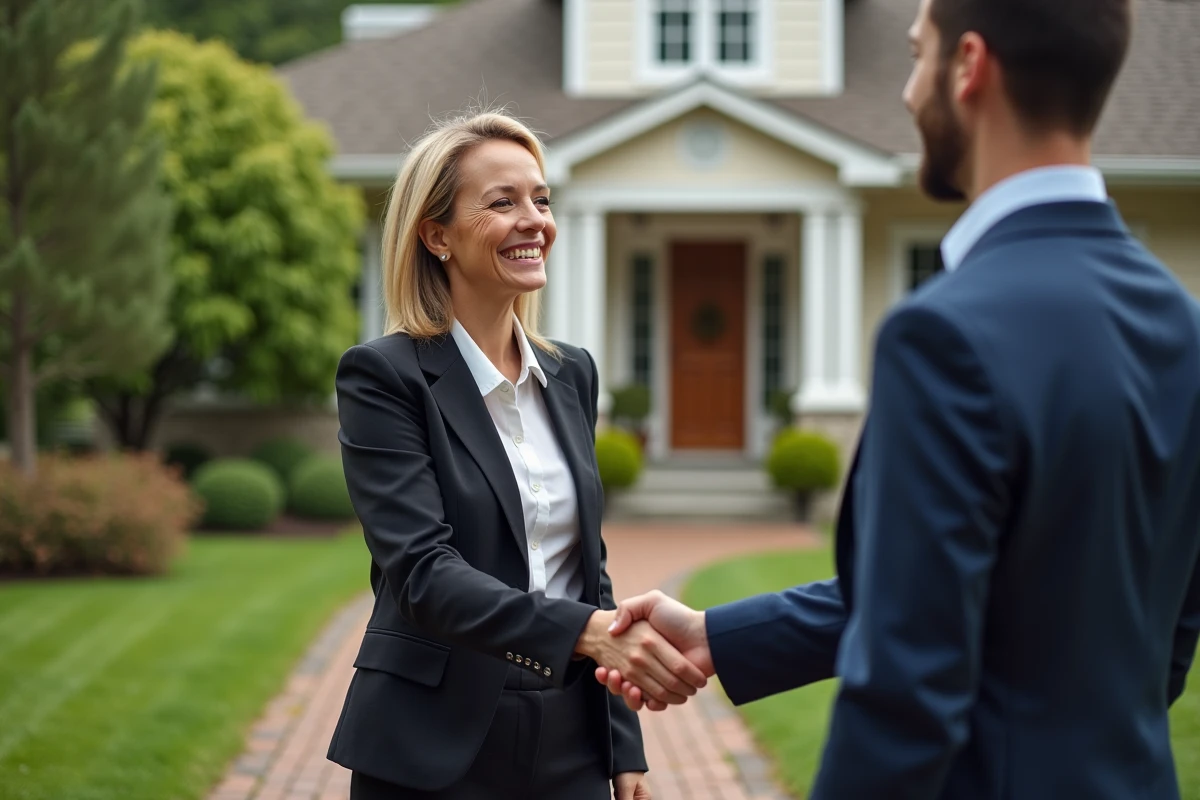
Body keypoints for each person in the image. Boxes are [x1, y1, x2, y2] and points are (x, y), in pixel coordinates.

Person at [598, 0, 1200, 796]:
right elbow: (1158, 636)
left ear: (969, 67)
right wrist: (721, 635)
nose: (909, 91)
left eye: (918, 57)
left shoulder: (946, 333)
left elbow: (904, 693)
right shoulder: (1182, 324)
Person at [328, 108, 707, 800]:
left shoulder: (572, 376)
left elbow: (586, 566)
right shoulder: (384, 377)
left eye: (541, 199)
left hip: (570, 736)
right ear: (436, 234)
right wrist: (589, 632)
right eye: (502, 202)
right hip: (428, 742)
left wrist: (623, 744)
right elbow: (423, 574)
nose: (535, 220)